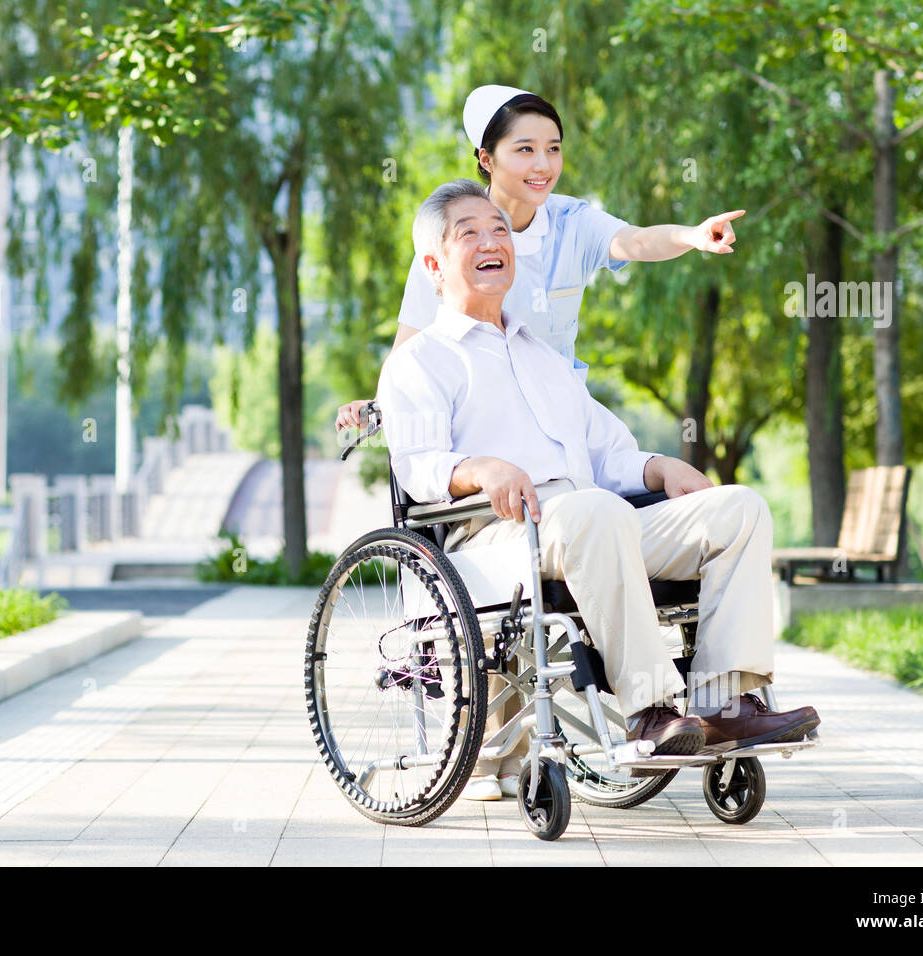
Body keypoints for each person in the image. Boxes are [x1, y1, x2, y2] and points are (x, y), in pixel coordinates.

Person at [376, 179, 819, 800]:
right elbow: (419, 466)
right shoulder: (419, 361)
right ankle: (650, 711)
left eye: (500, 229)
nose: (492, 240)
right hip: (492, 539)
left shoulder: (542, 356)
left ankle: (724, 705)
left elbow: (609, 452)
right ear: (433, 265)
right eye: (469, 232)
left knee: (738, 509)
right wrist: (482, 469)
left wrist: (662, 468)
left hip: (590, 520)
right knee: (595, 511)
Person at [336, 84, 745, 432]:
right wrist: (376, 406)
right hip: (483, 426)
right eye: (525, 149)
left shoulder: (573, 222)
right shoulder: (451, 243)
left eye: (553, 149)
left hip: (564, 420)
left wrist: (691, 236)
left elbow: (635, 242)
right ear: (486, 159)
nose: (543, 165)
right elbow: (408, 346)